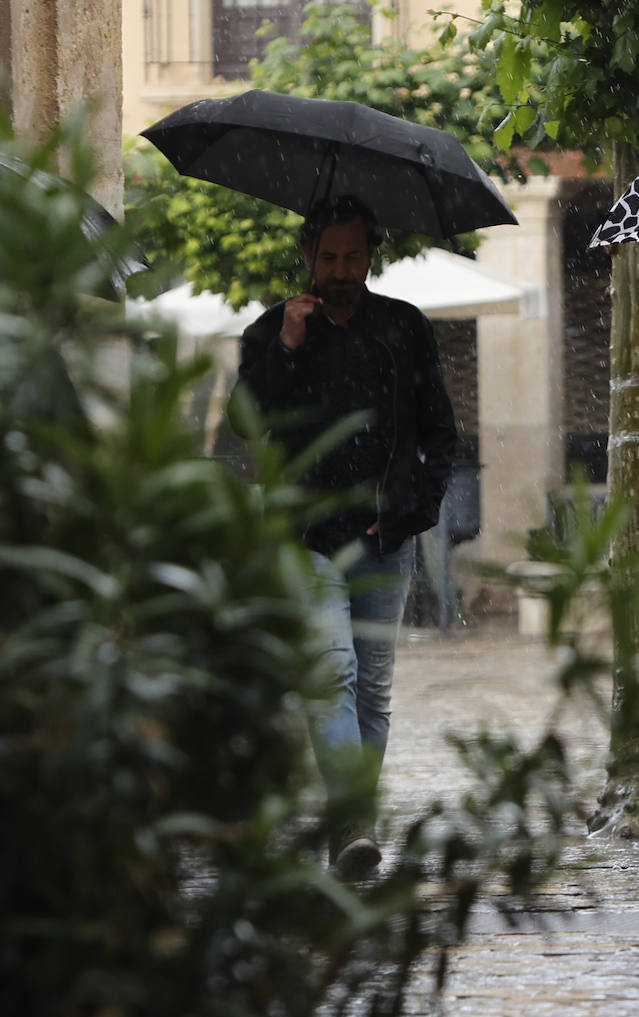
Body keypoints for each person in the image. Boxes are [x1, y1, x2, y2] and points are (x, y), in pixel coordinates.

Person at [232, 195, 457, 878]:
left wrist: (412, 510)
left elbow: (439, 432)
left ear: (370, 256)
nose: (338, 269)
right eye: (327, 257)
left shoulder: (404, 329)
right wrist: (288, 350)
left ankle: (349, 829)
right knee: (331, 675)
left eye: (351, 256)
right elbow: (246, 424)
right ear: (307, 255)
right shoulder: (272, 331)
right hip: (304, 536)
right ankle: (351, 821)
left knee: (372, 692)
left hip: (384, 540)